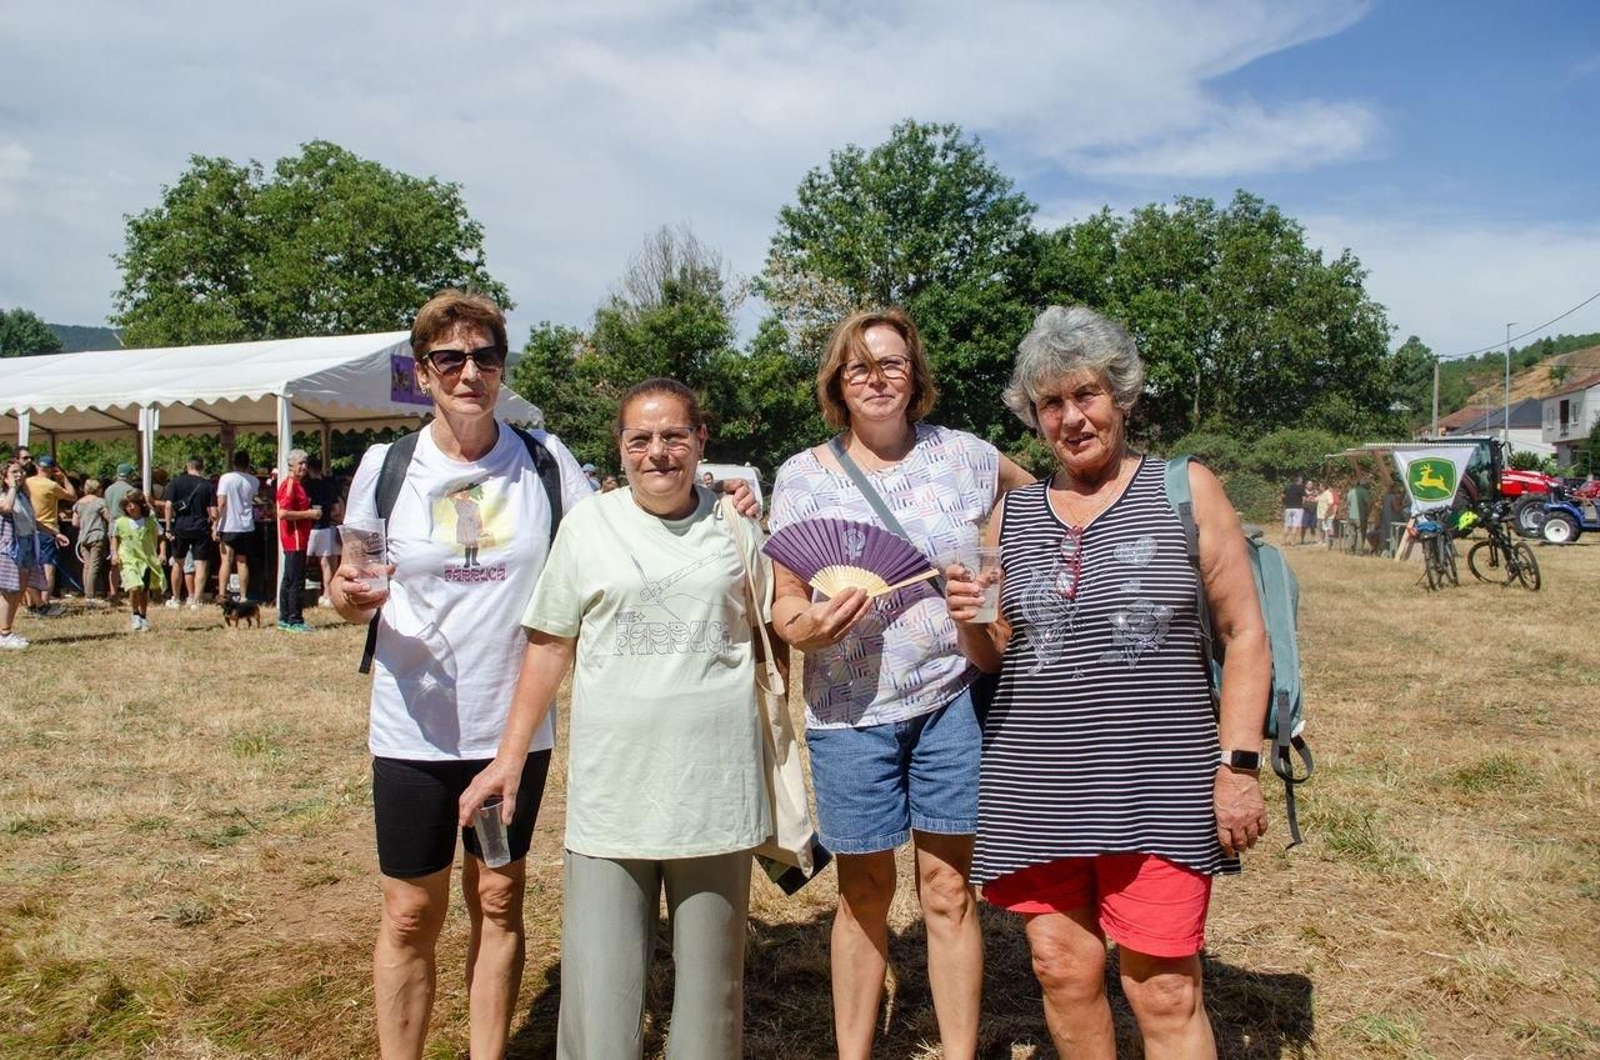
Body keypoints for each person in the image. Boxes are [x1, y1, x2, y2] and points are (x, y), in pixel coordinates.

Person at [945, 305, 1270, 1059]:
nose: (1072, 417)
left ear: (1120, 394)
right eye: (1051, 403)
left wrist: (1239, 766)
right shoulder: (1013, 515)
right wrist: (967, 620)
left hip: (1160, 782)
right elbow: (996, 657)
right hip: (1038, 783)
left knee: (1163, 988)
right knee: (1061, 970)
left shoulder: (1186, 487)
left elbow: (1245, 633)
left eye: (1086, 394)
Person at [461, 377, 771, 1060]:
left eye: (673, 436)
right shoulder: (588, 526)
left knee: (710, 1004)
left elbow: (776, 630)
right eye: (640, 439)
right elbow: (548, 647)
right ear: (621, 447)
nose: (657, 452)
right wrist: (508, 759)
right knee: (600, 1002)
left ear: (700, 441)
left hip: (713, 793)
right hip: (614, 795)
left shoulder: (737, 526)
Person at [328, 289, 594, 1060]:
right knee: (410, 913)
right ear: (424, 372)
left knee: (499, 899)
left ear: (502, 368)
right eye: (450, 358)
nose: (469, 371)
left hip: (511, 730)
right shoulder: (387, 466)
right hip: (411, 730)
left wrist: (717, 499)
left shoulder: (544, 461)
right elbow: (353, 586)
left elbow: (608, 544)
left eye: (485, 356)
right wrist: (346, 596)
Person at [767, 307, 1035, 1060]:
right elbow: (786, 601)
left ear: (914, 375)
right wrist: (805, 628)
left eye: (891, 363)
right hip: (848, 712)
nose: (877, 378)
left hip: (952, 698)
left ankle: (959, 1053)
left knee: (949, 892)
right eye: (859, 367)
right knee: (863, 895)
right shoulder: (800, 477)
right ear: (837, 385)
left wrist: (996, 572)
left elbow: (1041, 501)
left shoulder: (966, 456)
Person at [0, 460, 45, 649]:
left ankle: (7, 628)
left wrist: (54, 533)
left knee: (19, 589)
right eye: (14, 472)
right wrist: (10, 487)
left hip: (26, 543)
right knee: (8, 590)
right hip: (10, 547)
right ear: (4, 476)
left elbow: (31, 520)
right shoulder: (5, 495)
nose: (19, 475)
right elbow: (6, 508)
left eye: (21, 472)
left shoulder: (22, 495)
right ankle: (4, 633)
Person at [163, 457, 216, 609]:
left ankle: (176, 598)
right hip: (200, 527)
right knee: (201, 565)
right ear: (202, 467)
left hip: (181, 526)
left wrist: (168, 527)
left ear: (187, 466)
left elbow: (168, 506)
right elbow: (213, 512)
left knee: (178, 563)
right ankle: (197, 600)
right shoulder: (207, 485)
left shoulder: (176, 482)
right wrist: (214, 525)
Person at [274, 450, 319, 632]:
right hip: (295, 539)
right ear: (291, 465)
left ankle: (285, 617)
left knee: (289, 578)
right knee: (296, 580)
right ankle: (295, 619)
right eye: (300, 463)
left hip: (298, 538)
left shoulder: (298, 484)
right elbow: (283, 513)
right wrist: (308, 514)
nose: (304, 467)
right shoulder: (290, 484)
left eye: (305, 463)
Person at [24, 454, 75, 613]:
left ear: (38, 467)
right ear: (53, 469)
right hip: (48, 529)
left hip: (29, 529)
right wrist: (65, 478)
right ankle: (44, 604)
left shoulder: (27, 482)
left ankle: (31, 603)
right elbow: (73, 496)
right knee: (48, 569)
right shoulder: (51, 485)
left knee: (30, 568)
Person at [110, 489, 165, 633]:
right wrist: (115, 553)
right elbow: (115, 537)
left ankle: (143, 616)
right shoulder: (120, 522)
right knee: (134, 587)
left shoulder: (150, 522)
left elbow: (161, 536)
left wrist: (162, 553)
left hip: (146, 560)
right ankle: (134, 614)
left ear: (140, 505)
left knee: (144, 590)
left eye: (133, 504)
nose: (131, 507)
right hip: (128, 559)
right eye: (127, 505)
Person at [214, 450, 261, 599]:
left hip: (228, 525)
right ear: (248, 464)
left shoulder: (225, 478)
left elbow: (221, 503)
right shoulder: (254, 481)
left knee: (226, 561)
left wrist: (215, 525)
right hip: (247, 526)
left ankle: (222, 594)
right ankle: (243, 595)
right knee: (242, 561)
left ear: (234, 463)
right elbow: (255, 499)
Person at [304, 455, 343, 604]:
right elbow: (337, 509)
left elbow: (305, 504)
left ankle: (301, 592)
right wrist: (328, 514)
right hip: (326, 526)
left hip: (310, 527)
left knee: (304, 560)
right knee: (325, 562)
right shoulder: (328, 485)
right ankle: (327, 594)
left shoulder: (307, 485)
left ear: (309, 469)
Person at [72, 479, 112, 604]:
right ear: (98, 489)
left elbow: (75, 523)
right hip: (97, 536)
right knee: (94, 567)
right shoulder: (100, 502)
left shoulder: (78, 503)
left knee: (87, 566)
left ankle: (87, 593)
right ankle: (90, 595)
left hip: (83, 537)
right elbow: (109, 518)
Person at [104, 463, 138, 599]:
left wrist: (112, 522)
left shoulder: (108, 490)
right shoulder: (130, 490)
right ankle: (132, 590)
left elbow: (106, 510)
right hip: (126, 525)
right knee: (130, 559)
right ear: (129, 475)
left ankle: (113, 592)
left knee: (114, 560)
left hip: (112, 525)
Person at [1280, 474, 1305, 546]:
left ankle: (1283, 541)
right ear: (1299, 480)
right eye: (1301, 479)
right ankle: (1292, 541)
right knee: (1295, 525)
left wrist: (1285, 503)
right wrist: (1303, 506)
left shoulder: (1288, 487)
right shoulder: (1300, 487)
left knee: (1287, 525)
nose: (1302, 480)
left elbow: (1282, 496)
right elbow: (1303, 498)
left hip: (1288, 508)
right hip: (1297, 508)